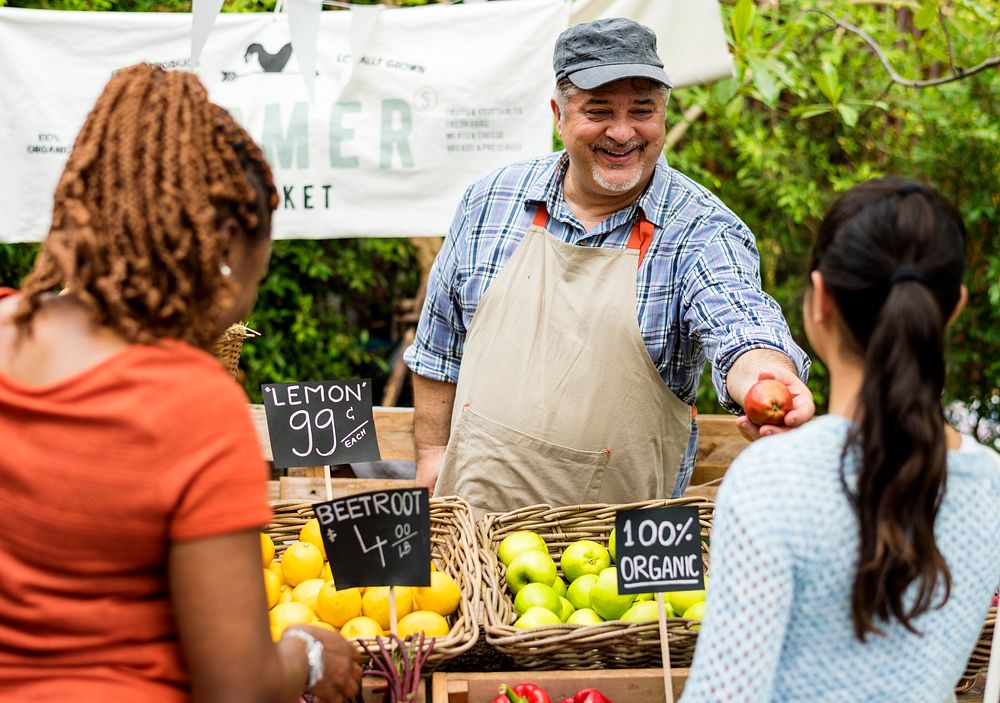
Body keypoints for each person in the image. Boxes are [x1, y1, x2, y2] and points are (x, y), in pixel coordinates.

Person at [0, 64, 362, 703]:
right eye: (256, 270)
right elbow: (238, 687)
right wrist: (309, 655)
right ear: (224, 246)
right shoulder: (189, 402)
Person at [404, 17, 814, 516]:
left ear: (663, 113)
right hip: (471, 531)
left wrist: (765, 377)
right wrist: (430, 453)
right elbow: (438, 349)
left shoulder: (701, 230)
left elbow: (740, 320)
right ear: (559, 114)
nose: (622, 133)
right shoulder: (491, 200)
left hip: (623, 563)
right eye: (598, 111)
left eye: (642, 111)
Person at [680, 178, 1000, 702]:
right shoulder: (990, 484)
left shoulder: (771, 481)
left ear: (819, 300)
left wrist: (787, 466)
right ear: (955, 307)